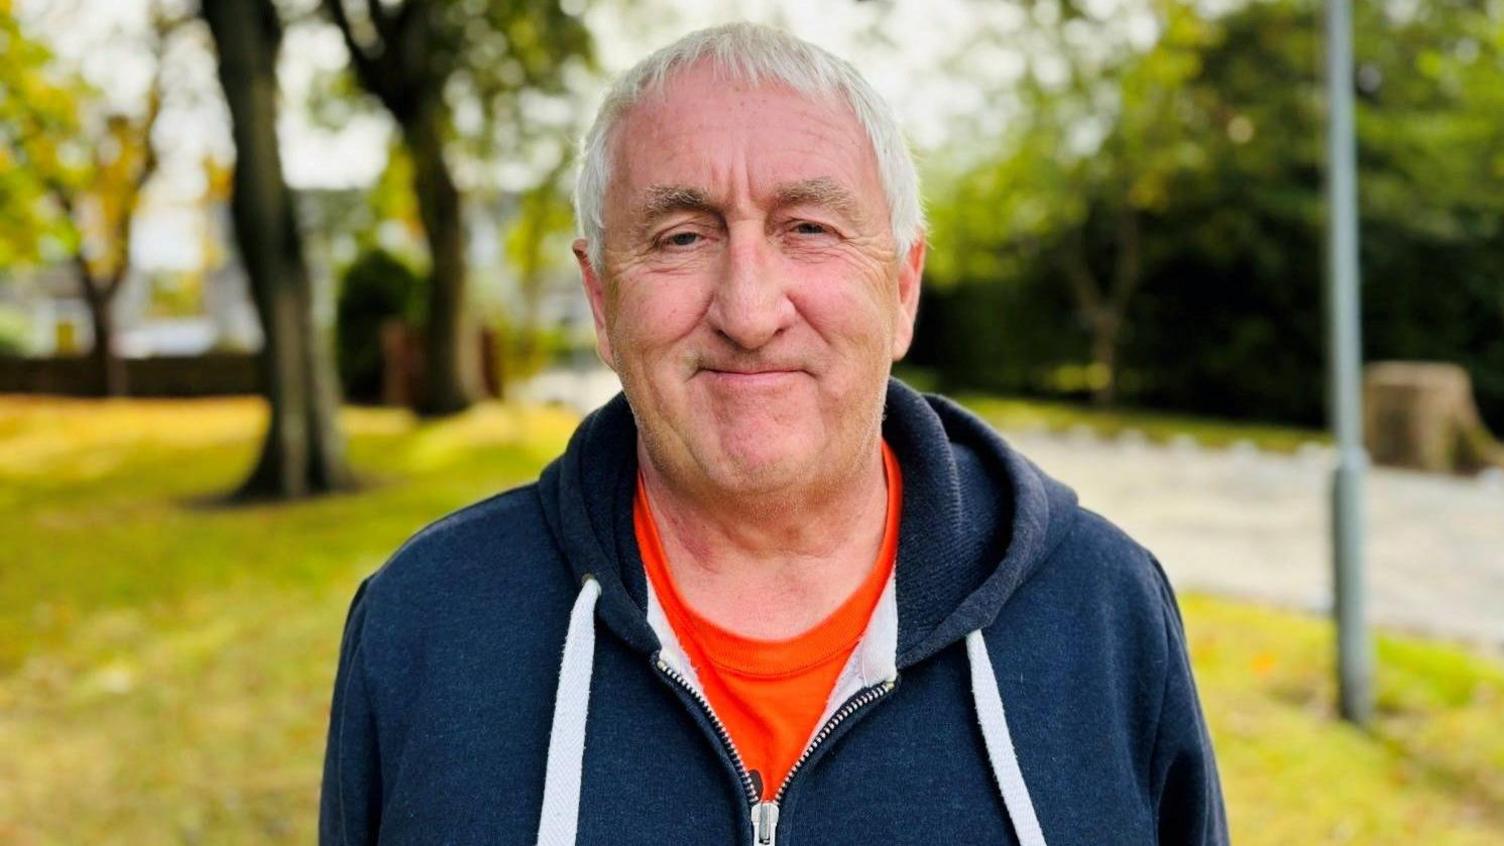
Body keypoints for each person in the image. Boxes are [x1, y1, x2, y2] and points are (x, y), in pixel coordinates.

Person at [319, 22, 1227, 846]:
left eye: (810, 228)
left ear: (902, 288)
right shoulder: (425, 624)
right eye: (680, 237)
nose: (749, 311)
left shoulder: (1103, 611)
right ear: (601, 301)